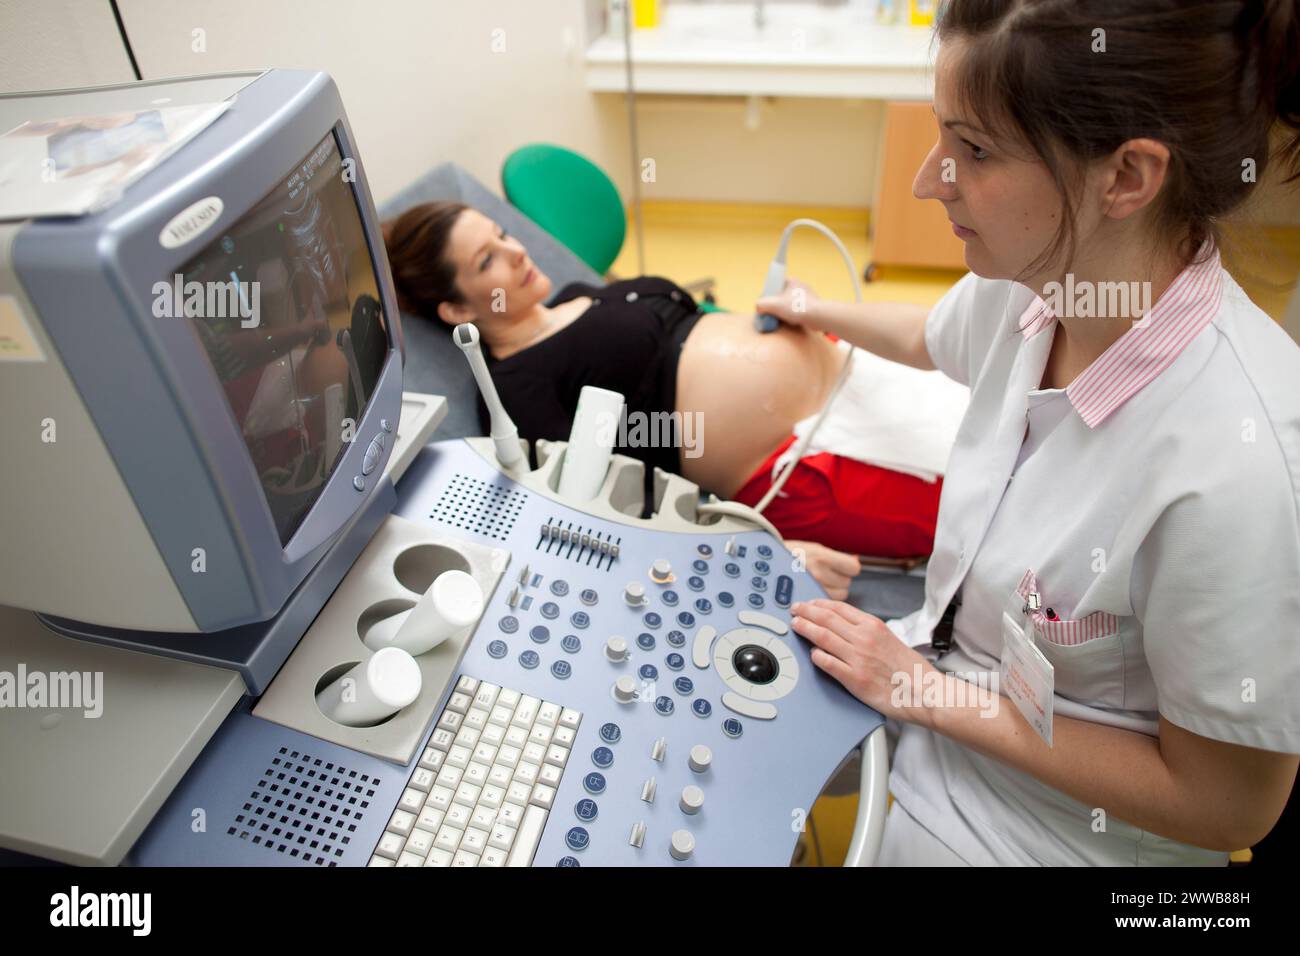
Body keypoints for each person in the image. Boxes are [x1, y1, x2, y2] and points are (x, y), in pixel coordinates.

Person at [778, 0, 1300, 865]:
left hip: (1051, 833)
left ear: (1127, 176)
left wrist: (923, 692)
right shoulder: (1037, 276)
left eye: (974, 151)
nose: (928, 181)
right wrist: (811, 308)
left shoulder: (1240, 467)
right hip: (939, 697)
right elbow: (932, 337)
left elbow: (1225, 809)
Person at [382, 203, 967, 597]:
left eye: (502, 234)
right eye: (486, 260)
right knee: (982, 506)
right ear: (458, 309)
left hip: (852, 367)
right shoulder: (516, 391)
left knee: (1000, 421)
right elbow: (590, 524)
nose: (515, 251)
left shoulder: (578, 293)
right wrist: (771, 556)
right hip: (804, 466)